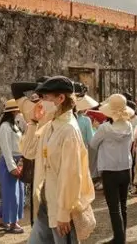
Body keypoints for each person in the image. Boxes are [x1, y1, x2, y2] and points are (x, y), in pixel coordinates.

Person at [22, 76, 96, 243]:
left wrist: (63, 213)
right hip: (45, 203)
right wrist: (33, 122)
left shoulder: (69, 130)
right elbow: (29, 152)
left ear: (61, 98)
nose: (42, 102)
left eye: (46, 98)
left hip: (62, 208)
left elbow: (71, 175)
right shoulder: (50, 125)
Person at [90, 94, 134, 244]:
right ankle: (122, 237)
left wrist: (95, 129)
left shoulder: (104, 128)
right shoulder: (129, 126)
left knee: (114, 207)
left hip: (110, 170)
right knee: (123, 205)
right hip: (125, 168)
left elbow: (93, 144)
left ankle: (119, 239)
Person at [0, 99, 26, 234]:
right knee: (12, 194)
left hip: (17, 161)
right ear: (14, 111)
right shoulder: (5, 127)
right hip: (10, 161)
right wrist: (12, 166)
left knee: (19, 193)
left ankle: (2, 218)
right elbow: (6, 149)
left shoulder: (15, 125)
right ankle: (12, 222)